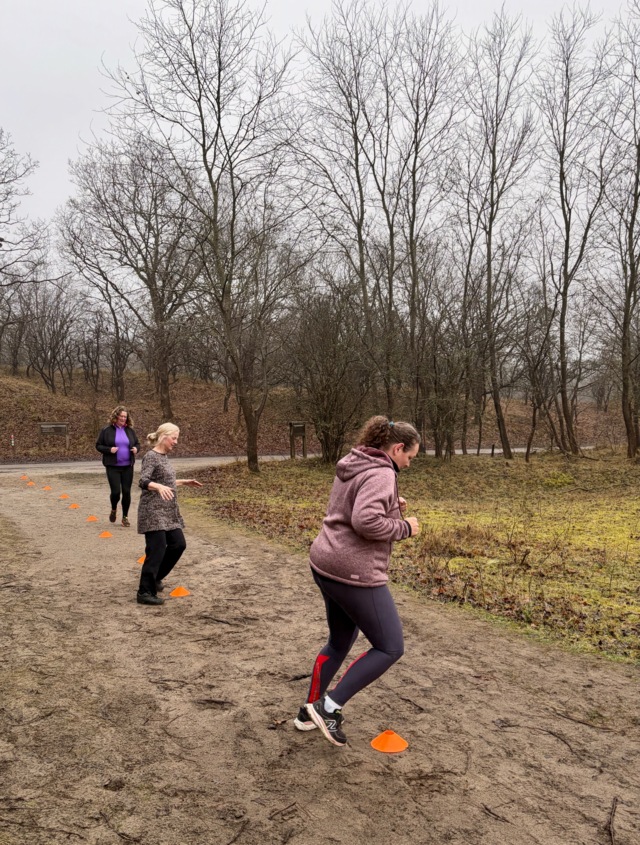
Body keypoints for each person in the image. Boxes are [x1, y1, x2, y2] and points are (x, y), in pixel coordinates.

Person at [294, 416, 421, 747]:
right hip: (353, 570)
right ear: (397, 448)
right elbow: (365, 521)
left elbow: (354, 507)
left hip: (324, 560)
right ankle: (329, 707)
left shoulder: (357, 461)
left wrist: (392, 505)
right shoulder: (381, 472)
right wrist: (405, 526)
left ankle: (308, 713)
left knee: (339, 642)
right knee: (390, 646)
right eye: (409, 457)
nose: (408, 464)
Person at [136, 423, 202, 606]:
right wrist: (158, 487)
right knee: (156, 550)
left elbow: (166, 481)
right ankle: (144, 591)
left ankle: (155, 577)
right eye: (174, 438)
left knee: (178, 544)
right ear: (164, 437)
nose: (176, 442)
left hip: (168, 511)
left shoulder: (164, 457)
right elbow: (144, 481)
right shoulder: (151, 456)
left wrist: (182, 482)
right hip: (153, 511)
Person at [95, 406, 140, 527]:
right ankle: (114, 509)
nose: (123, 418)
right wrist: (109, 449)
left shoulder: (130, 430)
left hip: (128, 466)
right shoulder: (107, 430)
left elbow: (137, 443)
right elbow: (98, 446)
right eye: (121, 416)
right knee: (116, 492)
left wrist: (136, 449)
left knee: (126, 492)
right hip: (113, 466)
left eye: (125, 417)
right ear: (116, 416)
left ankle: (125, 517)